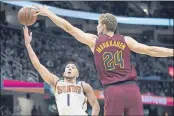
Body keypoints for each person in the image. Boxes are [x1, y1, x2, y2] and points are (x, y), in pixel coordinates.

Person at [32, 5, 174, 116]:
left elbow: (69, 28)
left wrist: (49, 13)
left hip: (113, 90)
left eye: (98, 24)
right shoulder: (126, 40)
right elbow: (151, 50)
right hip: (132, 89)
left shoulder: (94, 41)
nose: (96, 27)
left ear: (104, 26)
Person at [23, 26, 100, 116]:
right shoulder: (56, 83)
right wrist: (28, 45)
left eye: (73, 67)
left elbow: (95, 105)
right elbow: (38, 66)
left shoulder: (84, 85)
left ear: (77, 74)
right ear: (63, 73)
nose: (70, 68)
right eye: (68, 67)